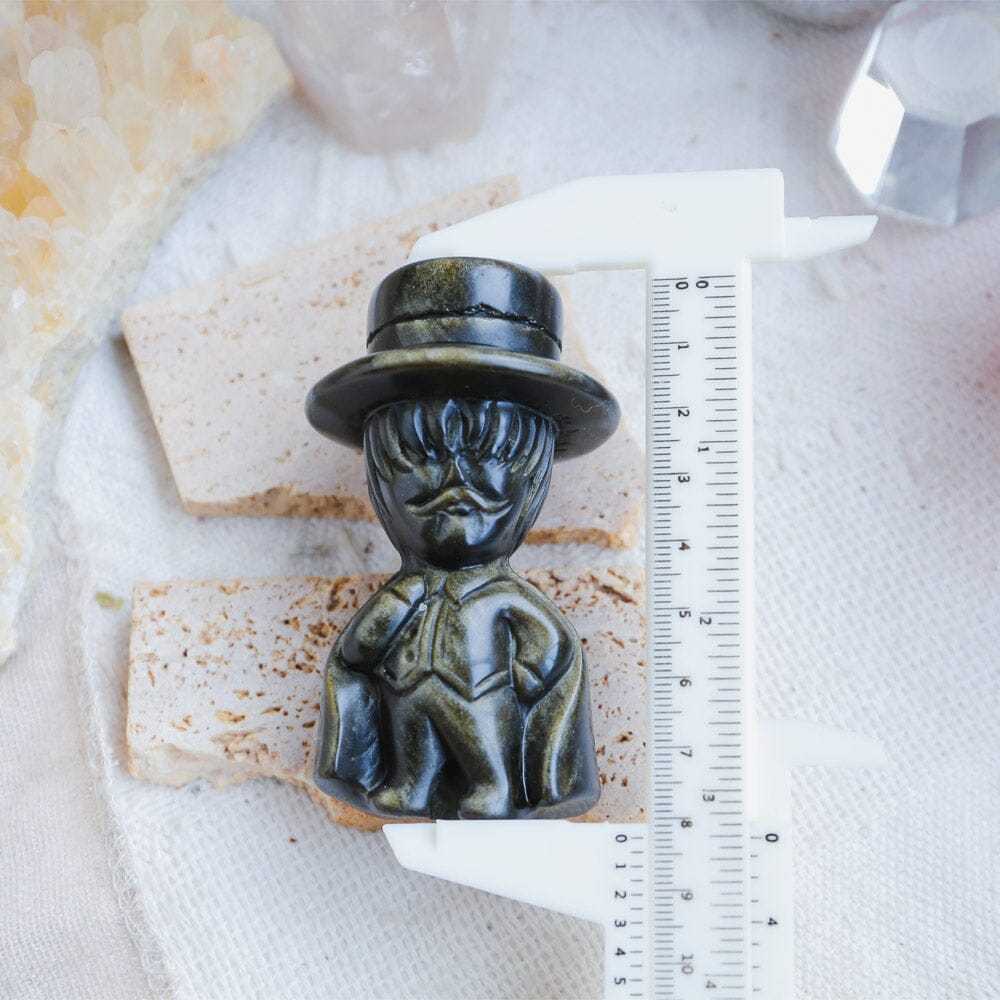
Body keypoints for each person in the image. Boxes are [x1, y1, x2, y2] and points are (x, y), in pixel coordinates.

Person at [306, 257, 620, 819]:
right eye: (421, 454)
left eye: (492, 455)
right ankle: (412, 784)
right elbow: (357, 655)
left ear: (534, 479)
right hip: (409, 688)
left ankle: (493, 787)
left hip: (479, 692)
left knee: (481, 746)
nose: (456, 480)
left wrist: (530, 674)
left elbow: (549, 648)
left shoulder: (502, 598)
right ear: (378, 475)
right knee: (415, 742)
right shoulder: (405, 594)